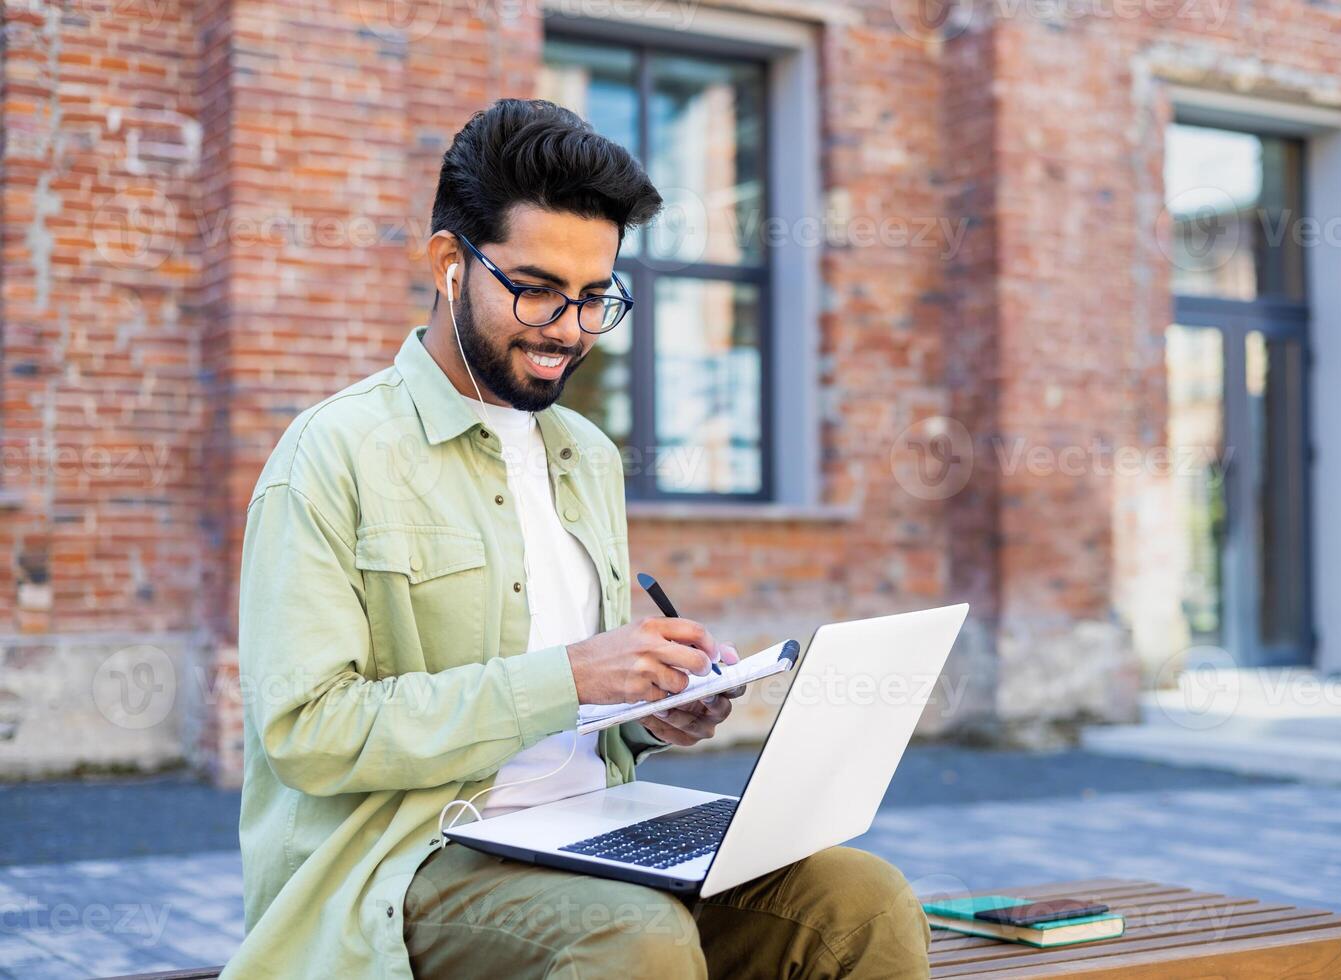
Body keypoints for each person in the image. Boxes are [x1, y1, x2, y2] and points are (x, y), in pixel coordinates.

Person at [226, 98, 930, 979]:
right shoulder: (333, 455)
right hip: (411, 860)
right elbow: (309, 731)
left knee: (861, 902)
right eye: (537, 290)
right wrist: (568, 678)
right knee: (632, 939)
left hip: (596, 834)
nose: (568, 329)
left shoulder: (586, 455)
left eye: (596, 298)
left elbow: (576, 720)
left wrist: (650, 713)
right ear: (450, 263)